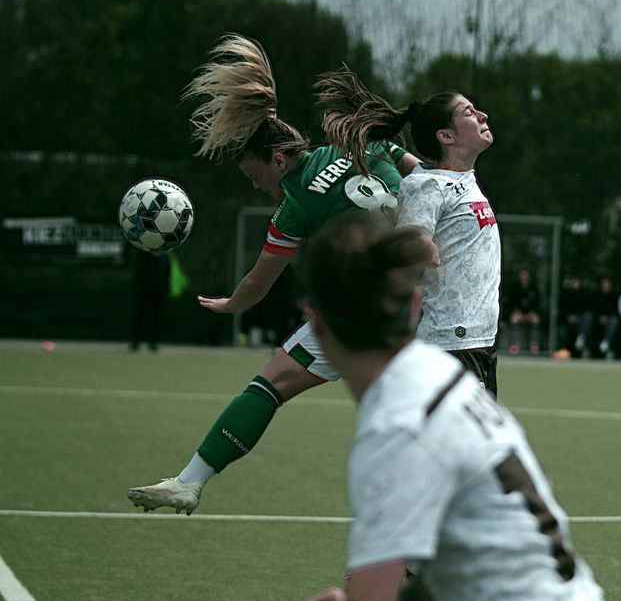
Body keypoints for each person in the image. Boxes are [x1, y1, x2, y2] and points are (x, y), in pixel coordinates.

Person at [293, 213, 621, 601]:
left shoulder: (396, 426)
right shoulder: (444, 378)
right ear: (416, 305)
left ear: (314, 322)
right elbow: (474, 555)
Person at [126, 34, 418, 515]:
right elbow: (423, 178)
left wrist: (229, 305)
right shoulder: (361, 140)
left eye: (252, 174)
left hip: (367, 308)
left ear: (278, 159)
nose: (256, 184)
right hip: (427, 291)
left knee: (271, 383)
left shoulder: (294, 206)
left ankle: (189, 481)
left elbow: (258, 285)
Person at [315, 67, 502, 395]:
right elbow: (411, 247)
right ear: (446, 136)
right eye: (468, 112)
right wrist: (420, 247)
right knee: (456, 443)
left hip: (477, 339)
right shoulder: (427, 185)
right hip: (449, 342)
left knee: (462, 443)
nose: (483, 115)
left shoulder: (457, 179)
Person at [129, 251, 170, 352]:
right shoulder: (143, 254)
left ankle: (153, 342)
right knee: (140, 316)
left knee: (157, 317)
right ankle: (135, 342)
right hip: (143, 291)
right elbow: (138, 273)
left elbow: (167, 274)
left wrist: (164, 289)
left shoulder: (165, 255)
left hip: (159, 292)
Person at [505, 268, 542, 355]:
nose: (524, 278)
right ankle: (514, 345)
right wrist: (517, 312)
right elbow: (511, 303)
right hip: (519, 313)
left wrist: (530, 312)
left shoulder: (533, 288)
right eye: (522, 276)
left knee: (536, 319)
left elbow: (536, 304)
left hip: (530, 313)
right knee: (514, 319)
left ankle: (534, 345)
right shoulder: (515, 289)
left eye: (525, 276)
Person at [594, 277, 620, 359]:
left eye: (607, 284)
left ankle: (606, 342)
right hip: (597, 318)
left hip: (610, 318)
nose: (605, 286)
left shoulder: (614, 296)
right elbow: (594, 308)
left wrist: (607, 317)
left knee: (614, 321)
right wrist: (600, 317)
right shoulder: (596, 296)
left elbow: (615, 309)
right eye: (604, 284)